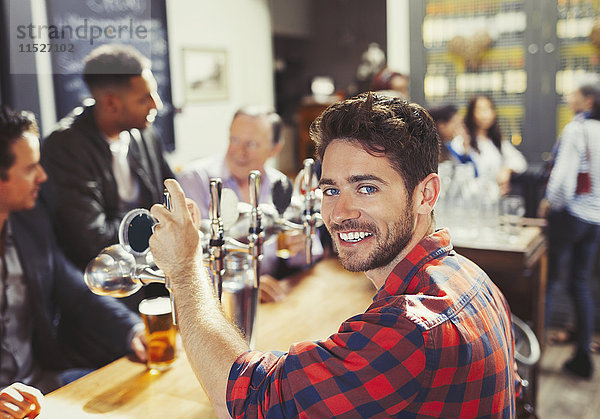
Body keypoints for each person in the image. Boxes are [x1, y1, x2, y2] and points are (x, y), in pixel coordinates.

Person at [148, 93, 517, 417]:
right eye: (330, 191)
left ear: (426, 195)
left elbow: (244, 399)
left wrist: (184, 268)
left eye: (367, 188)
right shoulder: (472, 277)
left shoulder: (408, 330)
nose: (340, 213)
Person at [0, 106, 145, 414]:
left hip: (44, 384)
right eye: (30, 169)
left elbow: (77, 292)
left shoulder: (30, 223)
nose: (43, 176)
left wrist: (133, 330)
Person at [41, 44, 174, 273]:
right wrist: (157, 225)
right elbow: (90, 240)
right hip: (104, 282)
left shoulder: (146, 133)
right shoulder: (65, 146)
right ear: (111, 103)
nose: (157, 105)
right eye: (144, 98)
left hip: (154, 270)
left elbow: (172, 200)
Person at [178, 106, 322, 302]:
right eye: (234, 140)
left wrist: (299, 244)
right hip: (210, 306)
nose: (240, 152)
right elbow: (190, 258)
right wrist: (244, 283)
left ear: (275, 149)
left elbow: (313, 252)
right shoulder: (195, 180)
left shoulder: (280, 186)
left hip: (268, 305)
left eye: (252, 144)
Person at [543, 78, 600, 379]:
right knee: (580, 284)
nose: (567, 96)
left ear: (588, 100)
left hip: (571, 215)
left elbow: (562, 181)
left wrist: (551, 202)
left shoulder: (577, 129)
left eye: (573, 92)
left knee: (548, 283)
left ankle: (535, 356)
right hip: (595, 220)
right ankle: (583, 357)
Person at [452, 95, 527, 195]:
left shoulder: (496, 141)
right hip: (473, 201)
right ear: (471, 113)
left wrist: (506, 170)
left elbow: (520, 162)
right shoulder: (462, 141)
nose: (486, 114)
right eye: (480, 110)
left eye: (489, 109)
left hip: (495, 201)